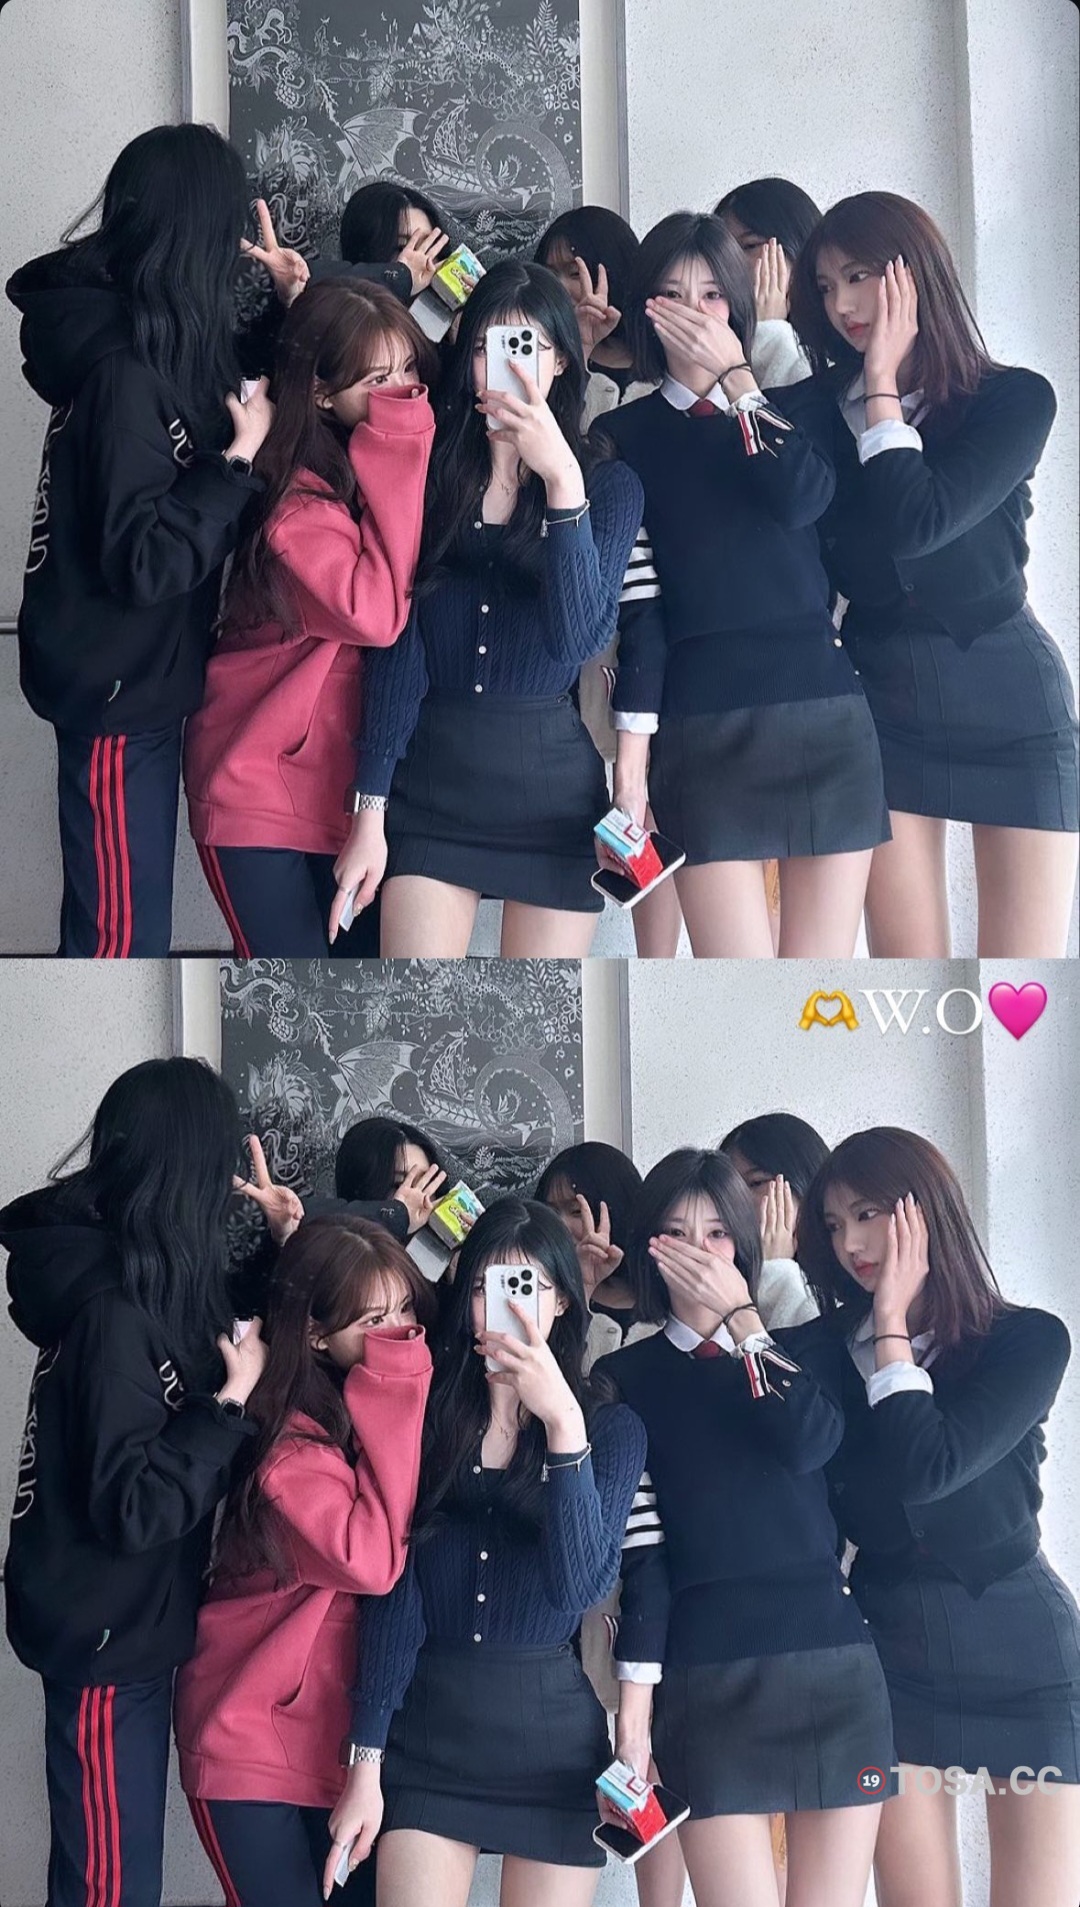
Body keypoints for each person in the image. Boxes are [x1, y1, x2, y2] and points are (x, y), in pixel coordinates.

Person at [326, 1199, 648, 1906]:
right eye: (483, 1286)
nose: (500, 1306)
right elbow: (393, 1592)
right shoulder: (426, 1411)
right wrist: (365, 1762)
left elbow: (575, 1588)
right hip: (428, 1739)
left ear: (562, 1299)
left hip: (552, 1751)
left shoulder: (609, 1427)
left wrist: (562, 1422)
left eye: (524, 1285)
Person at [0, 1059, 268, 1907]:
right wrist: (227, 1405)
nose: (228, 1184)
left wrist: (278, 1242)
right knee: (110, 1889)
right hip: (106, 1645)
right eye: (220, 1162)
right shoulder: (113, 1315)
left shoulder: (143, 1286)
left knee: (106, 1879)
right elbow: (133, 1506)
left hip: (122, 1632)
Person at [596, 1148, 895, 1907]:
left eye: (717, 1233)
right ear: (647, 1247)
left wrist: (745, 1322)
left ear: (744, 1243)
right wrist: (634, 1728)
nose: (698, 1252)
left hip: (834, 1665)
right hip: (707, 1679)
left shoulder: (802, 1349)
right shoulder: (626, 1379)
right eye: (674, 1232)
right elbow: (644, 1560)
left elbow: (809, 1443)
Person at [786, 191, 1079, 956]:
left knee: (1023, 979)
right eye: (825, 286)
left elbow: (920, 521)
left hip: (1013, 702)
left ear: (912, 275)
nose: (842, 305)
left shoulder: (1013, 400)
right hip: (882, 708)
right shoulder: (814, 411)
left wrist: (882, 383)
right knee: (907, 971)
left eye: (858, 277)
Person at [6, 124, 275, 956]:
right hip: (119, 699)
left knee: (120, 930)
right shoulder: (124, 373)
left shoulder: (151, 346)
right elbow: (145, 561)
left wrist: (286, 301)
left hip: (133, 685)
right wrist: (235, 463)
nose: (236, 248)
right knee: (119, 942)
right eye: (228, 227)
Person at [798, 1127, 1080, 1907]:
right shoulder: (822, 1351)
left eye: (867, 1213)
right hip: (890, 1656)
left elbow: (932, 1466)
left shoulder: (1026, 1340)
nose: (850, 1243)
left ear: (924, 1211)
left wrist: (891, 1324)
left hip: (1023, 1650)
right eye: (833, 1224)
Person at [329, 259, 644, 957]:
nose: (500, 366)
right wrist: (368, 813)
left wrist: (561, 479)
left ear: (561, 360)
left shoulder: (607, 485)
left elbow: (573, 641)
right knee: (416, 1001)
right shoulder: (429, 469)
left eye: (525, 346)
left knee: (531, 1008)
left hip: (552, 801)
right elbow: (397, 647)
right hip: (431, 789)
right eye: (484, 347)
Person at [597, 212, 888, 957]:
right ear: (644, 308)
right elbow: (641, 615)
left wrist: (738, 381)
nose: (694, 313)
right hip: (702, 728)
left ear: (738, 303)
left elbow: (802, 498)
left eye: (712, 295)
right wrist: (631, 777)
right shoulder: (625, 437)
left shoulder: (795, 407)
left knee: (815, 986)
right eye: (671, 294)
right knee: (735, 978)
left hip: (825, 713)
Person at [174, 1216, 436, 1907]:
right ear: (316, 1334)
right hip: (248, 1740)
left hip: (337, 1746)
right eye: (374, 1319)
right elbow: (372, 1560)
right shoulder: (286, 1443)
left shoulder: (355, 1417)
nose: (400, 1332)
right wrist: (400, 1378)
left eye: (405, 1309)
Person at [183, 280, 436, 956]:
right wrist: (402, 438)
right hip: (255, 789)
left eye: (409, 370)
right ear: (322, 394)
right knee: (291, 982)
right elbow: (376, 614)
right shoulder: (294, 499)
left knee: (363, 985)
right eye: (378, 380)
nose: (404, 392)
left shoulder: (359, 473)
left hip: (342, 794)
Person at [535, 1141, 649, 1364]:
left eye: (576, 1211)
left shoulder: (667, 1296)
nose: (560, 1225)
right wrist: (582, 1288)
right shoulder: (542, 1294)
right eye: (551, 1213)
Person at [719, 1110, 828, 1326]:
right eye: (728, 1187)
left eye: (756, 1183)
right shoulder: (722, 1277)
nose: (736, 1200)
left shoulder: (850, 1276)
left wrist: (776, 1271)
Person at [714, 177, 822, 389]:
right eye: (723, 250)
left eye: (749, 245)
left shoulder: (841, 339)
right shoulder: (715, 338)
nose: (730, 262)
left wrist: (770, 332)